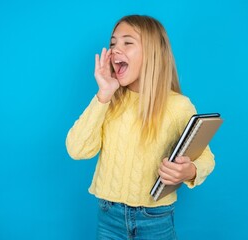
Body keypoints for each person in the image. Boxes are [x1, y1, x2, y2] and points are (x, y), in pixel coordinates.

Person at [65, 15, 215, 240]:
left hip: (156, 218)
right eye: (113, 43)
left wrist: (190, 170)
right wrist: (103, 94)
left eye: (127, 42)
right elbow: (77, 150)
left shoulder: (177, 106)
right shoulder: (109, 100)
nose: (115, 49)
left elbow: (206, 157)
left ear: (153, 52)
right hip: (109, 216)